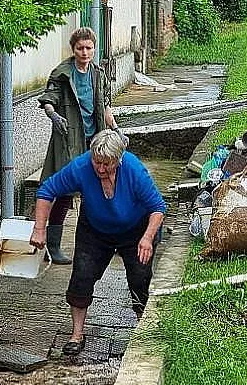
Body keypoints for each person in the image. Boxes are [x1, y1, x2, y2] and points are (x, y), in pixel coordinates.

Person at [29, 130, 165, 356]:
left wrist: (147, 238)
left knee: (140, 279)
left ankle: (144, 331)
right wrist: (40, 228)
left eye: (107, 164)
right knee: (81, 277)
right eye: (97, 162)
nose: (101, 169)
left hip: (136, 231)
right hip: (94, 230)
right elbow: (47, 190)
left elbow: (158, 207)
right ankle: (76, 335)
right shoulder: (81, 167)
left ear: (118, 160)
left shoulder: (133, 169)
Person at [37, 27, 127, 265]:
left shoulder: (98, 74)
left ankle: (104, 241)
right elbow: (49, 99)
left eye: (89, 48)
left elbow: (105, 107)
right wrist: (53, 115)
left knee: (103, 190)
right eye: (80, 48)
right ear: (73, 49)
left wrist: (116, 129)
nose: (84, 52)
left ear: (94, 49)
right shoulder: (62, 74)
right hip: (69, 140)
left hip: (94, 141)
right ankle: (53, 247)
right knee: (64, 193)